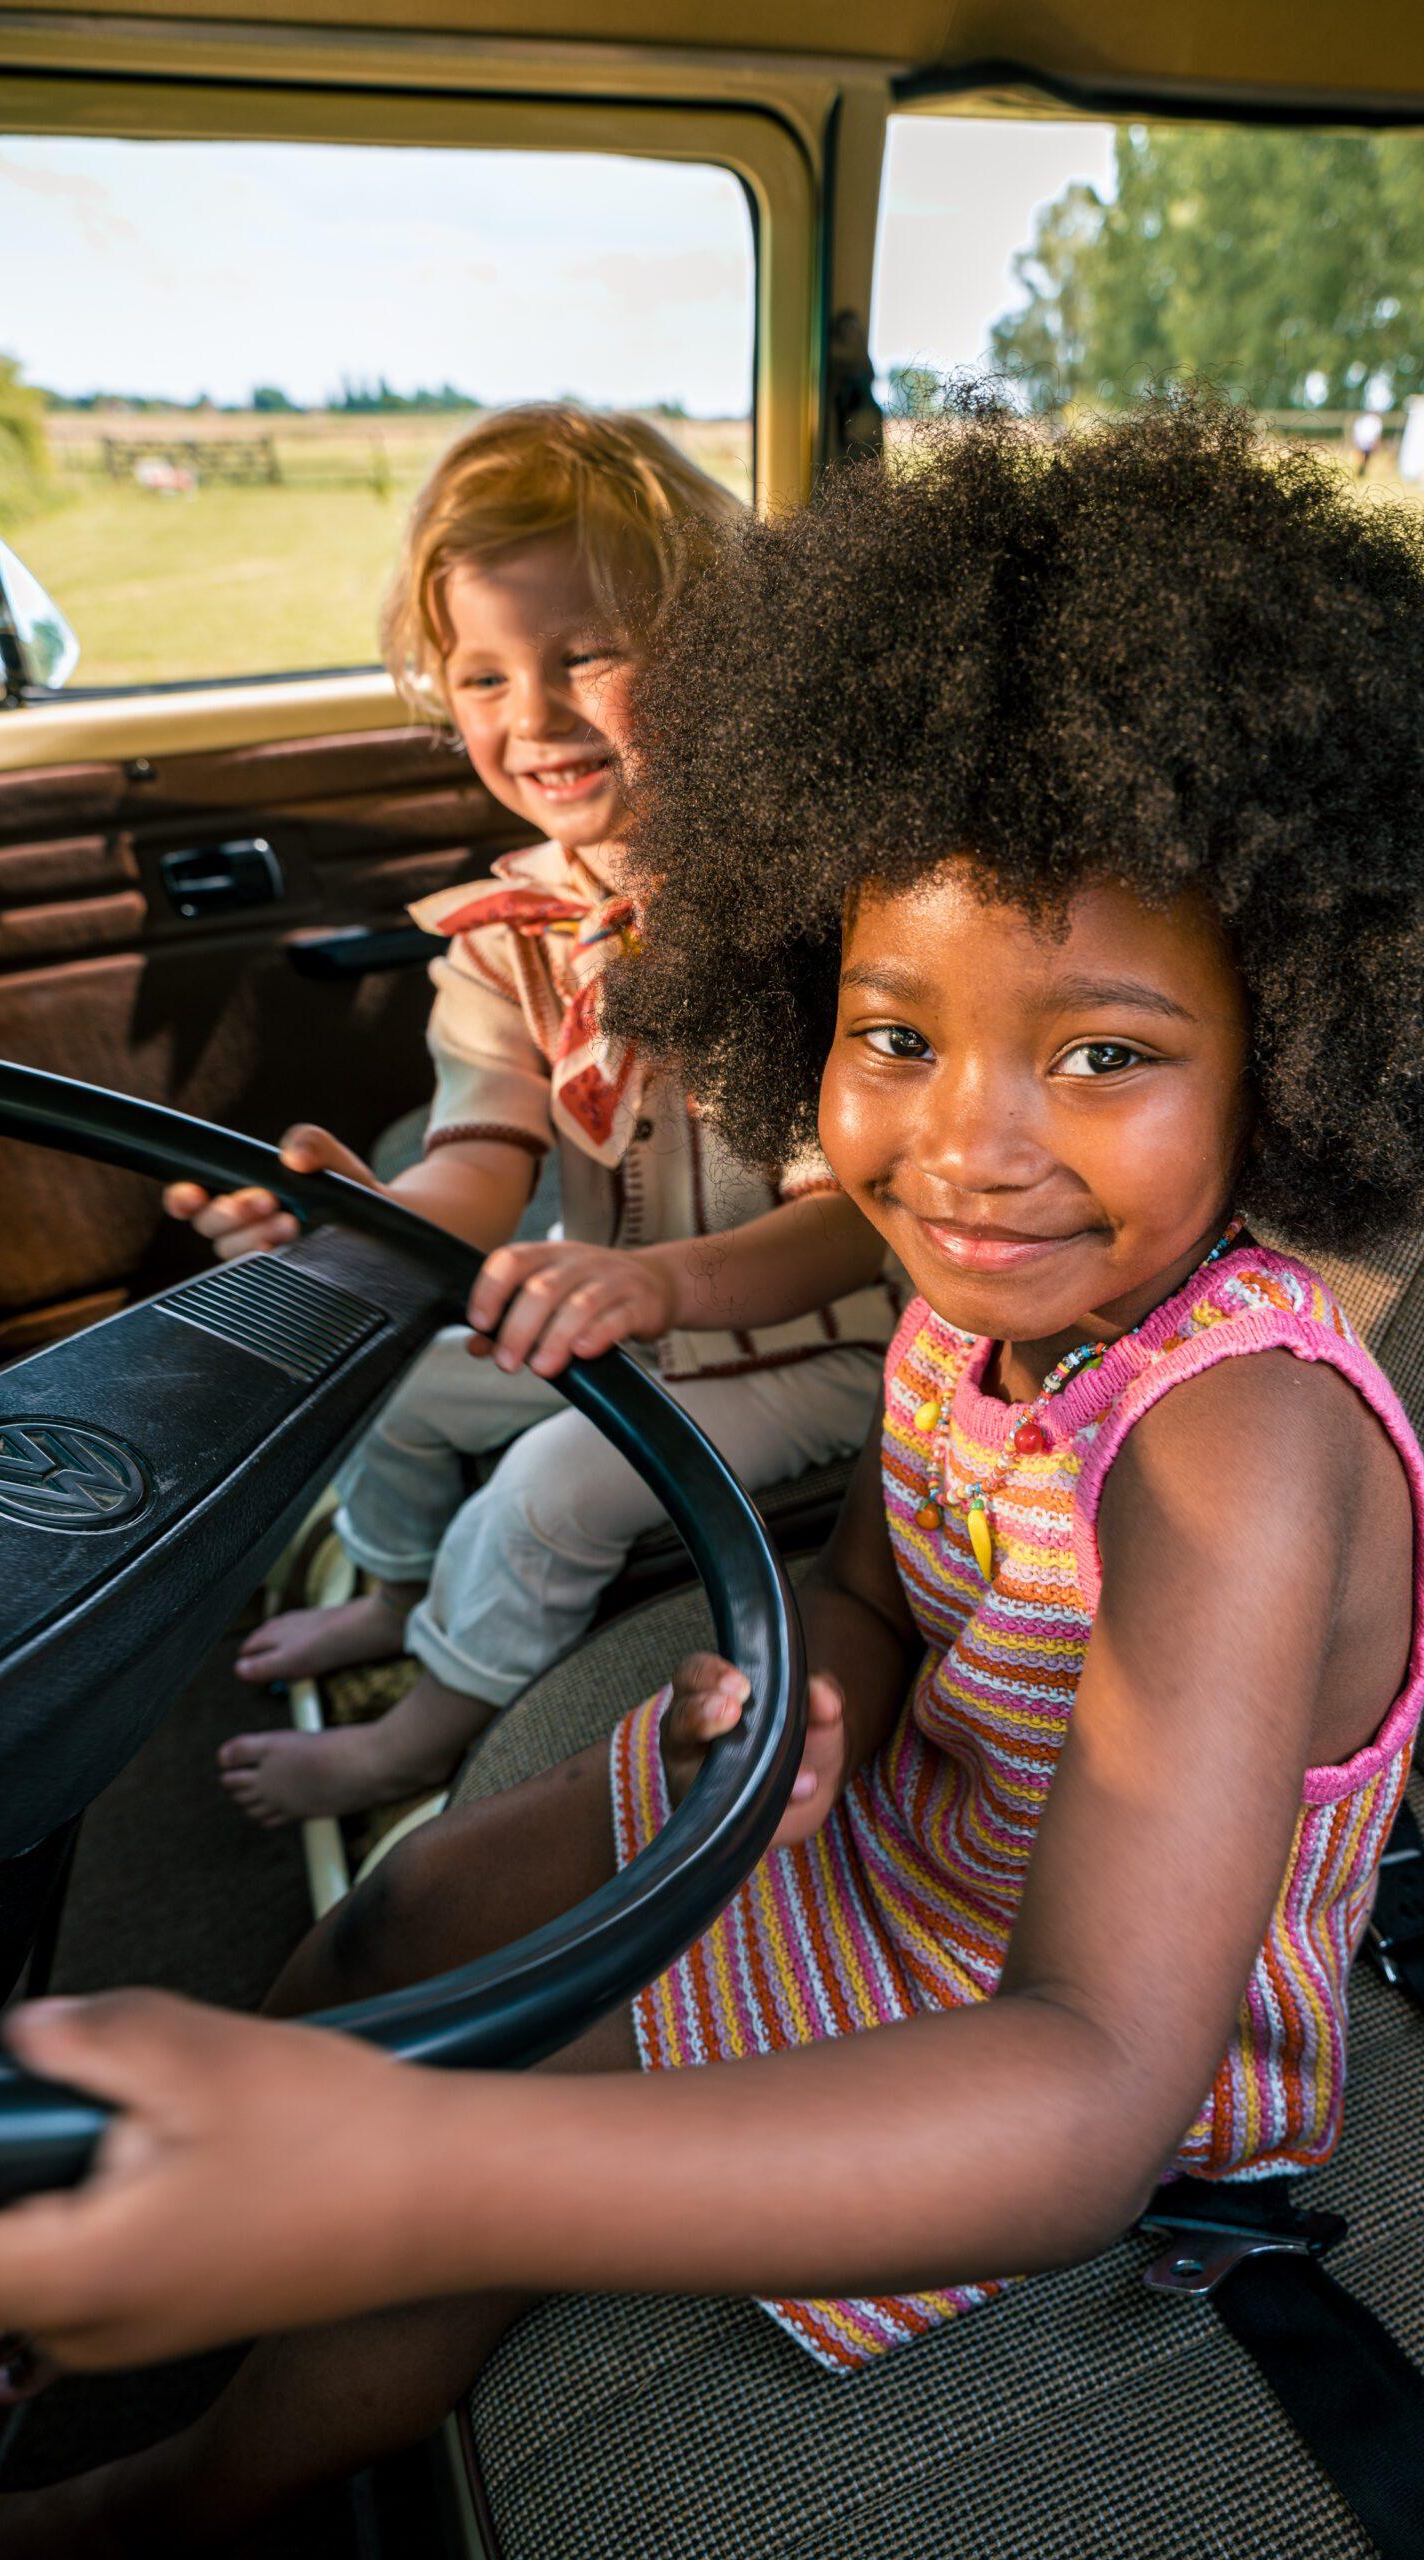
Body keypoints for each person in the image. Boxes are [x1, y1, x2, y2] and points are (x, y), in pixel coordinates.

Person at [0, 394, 1424, 2554]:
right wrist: (819, 1683)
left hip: (1057, 2009)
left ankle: (174, 2487)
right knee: (416, 1904)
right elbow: (873, 1575)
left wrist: (394, 2168)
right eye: (894, 1035)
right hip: (893, 1805)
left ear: (1305, 1049)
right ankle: (164, 2231)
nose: (964, 1147)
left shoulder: (1232, 1443)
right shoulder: (970, 1291)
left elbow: (1084, 2092)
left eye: (1105, 1053)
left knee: (476, 2130)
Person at [162, 404, 896, 1826]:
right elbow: (478, 1177)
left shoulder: (806, 928)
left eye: (589, 656)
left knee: (555, 1484)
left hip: (822, 1347)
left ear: (720, 658)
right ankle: (394, 1589)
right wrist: (354, 1223)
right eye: (485, 675)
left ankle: (425, 1727)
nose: (534, 716)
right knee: (380, 1367)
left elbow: (855, 1228)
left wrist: (653, 1285)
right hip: (615, 1313)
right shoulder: (508, 940)